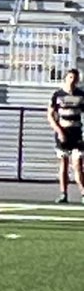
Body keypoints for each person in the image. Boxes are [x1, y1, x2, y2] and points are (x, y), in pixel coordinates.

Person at [48, 67, 84, 204]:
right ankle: (63, 193)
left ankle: (83, 192)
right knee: (64, 163)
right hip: (63, 133)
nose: (72, 81)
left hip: (76, 133)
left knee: (78, 164)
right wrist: (59, 131)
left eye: (75, 79)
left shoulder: (81, 95)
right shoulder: (58, 95)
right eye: (70, 78)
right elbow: (50, 115)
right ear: (65, 78)